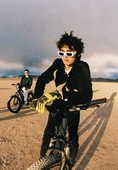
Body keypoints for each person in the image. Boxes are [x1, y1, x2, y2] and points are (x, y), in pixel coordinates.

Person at [33, 31, 93, 166]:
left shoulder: (82, 67)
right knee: (49, 131)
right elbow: (42, 79)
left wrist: (59, 94)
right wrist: (36, 98)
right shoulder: (57, 64)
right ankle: (43, 161)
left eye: (69, 53)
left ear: (77, 54)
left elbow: (87, 94)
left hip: (74, 104)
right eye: (62, 52)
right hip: (58, 105)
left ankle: (70, 160)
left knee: (72, 134)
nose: (65, 56)